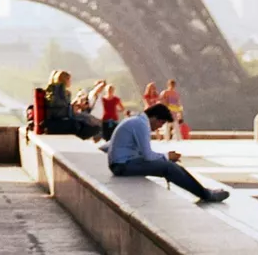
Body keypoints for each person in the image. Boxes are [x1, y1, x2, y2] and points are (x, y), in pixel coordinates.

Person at [101, 104, 231, 203]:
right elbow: (148, 155)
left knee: (170, 165)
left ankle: (204, 192)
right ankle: (206, 195)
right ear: (154, 118)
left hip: (122, 163)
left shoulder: (136, 121)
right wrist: (167, 156)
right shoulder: (141, 125)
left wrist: (165, 157)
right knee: (169, 167)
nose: (159, 127)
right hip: (122, 166)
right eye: (161, 123)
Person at [41, 71, 100, 139]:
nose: (70, 82)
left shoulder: (57, 90)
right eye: (69, 79)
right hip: (58, 120)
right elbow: (58, 109)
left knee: (88, 120)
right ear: (65, 80)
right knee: (87, 123)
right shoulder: (59, 91)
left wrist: (73, 106)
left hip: (61, 118)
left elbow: (62, 107)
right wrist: (72, 109)